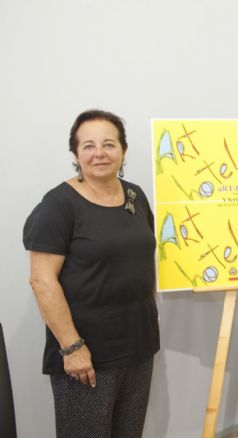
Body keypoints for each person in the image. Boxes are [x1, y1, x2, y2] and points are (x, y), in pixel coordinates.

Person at [23, 110, 160, 438]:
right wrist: (72, 348)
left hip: (138, 346)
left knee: (129, 433)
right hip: (86, 355)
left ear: (123, 150)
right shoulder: (59, 205)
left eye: (109, 144)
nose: (99, 153)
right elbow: (41, 280)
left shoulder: (135, 196)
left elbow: (143, 258)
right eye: (88, 146)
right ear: (75, 154)